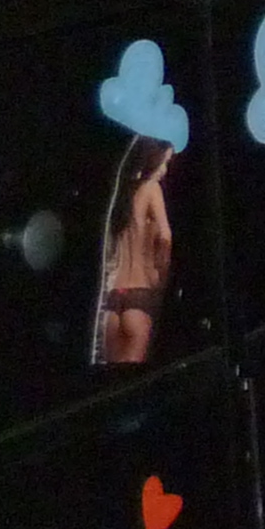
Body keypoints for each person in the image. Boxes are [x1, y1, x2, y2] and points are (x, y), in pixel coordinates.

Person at [96, 138, 175, 368]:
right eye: (164, 162)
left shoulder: (122, 196)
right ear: (152, 159)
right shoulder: (151, 188)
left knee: (114, 376)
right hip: (140, 293)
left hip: (114, 297)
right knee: (135, 372)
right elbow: (166, 236)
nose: (164, 170)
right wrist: (161, 279)